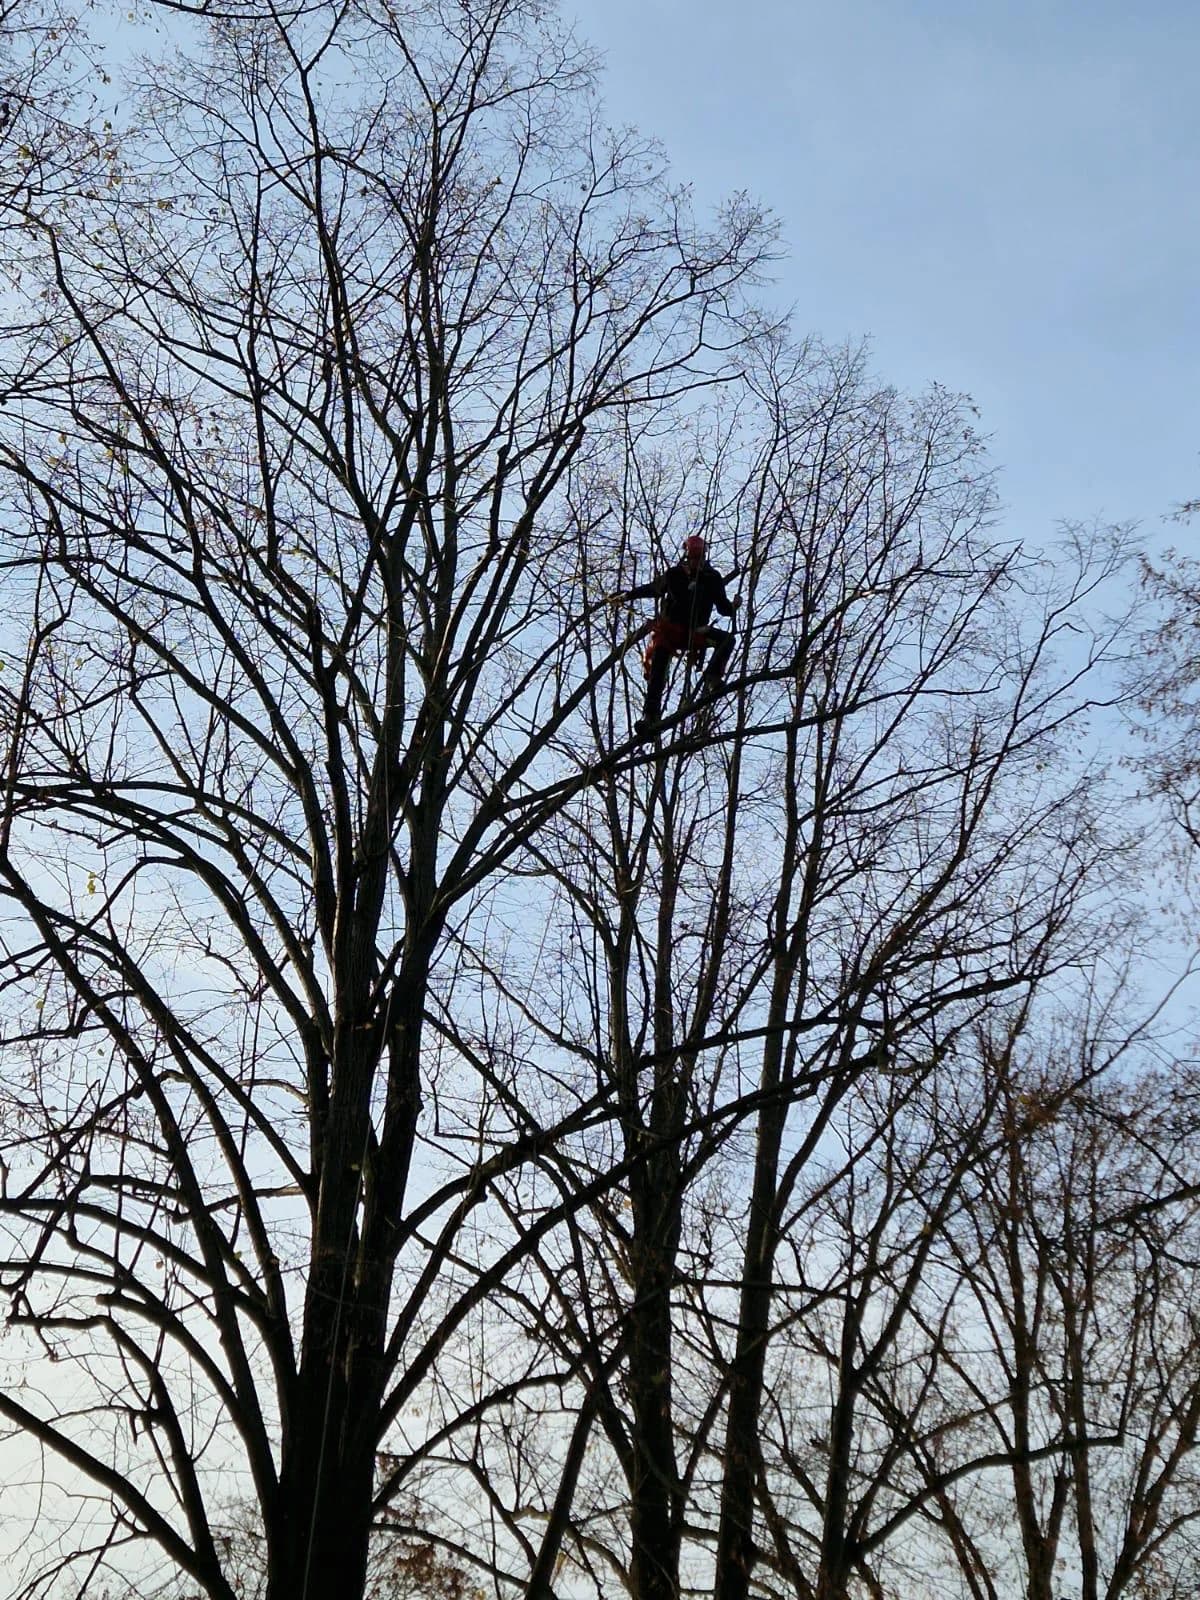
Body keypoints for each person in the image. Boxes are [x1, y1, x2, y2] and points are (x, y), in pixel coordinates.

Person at [615, 535, 737, 734]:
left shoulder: (712, 578)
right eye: (693, 558)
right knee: (658, 669)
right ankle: (650, 716)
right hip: (670, 632)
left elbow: (723, 607)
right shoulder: (674, 575)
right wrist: (628, 595)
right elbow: (654, 589)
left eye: (700, 558)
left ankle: (713, 678)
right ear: (687, 557)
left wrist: (733, 607)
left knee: (727, 640)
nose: (696, 563)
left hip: (696, 632)